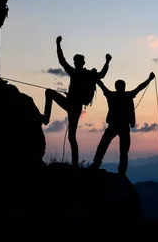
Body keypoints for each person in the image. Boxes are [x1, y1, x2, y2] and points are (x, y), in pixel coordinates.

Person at [41, 35, 112, 167]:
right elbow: (102, 74)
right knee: (72, 136)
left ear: (78, 63)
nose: (74, 63)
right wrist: (107, 62)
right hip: (75, 106)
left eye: (75, 61)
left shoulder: (75, 72)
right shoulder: (89, 75)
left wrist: (58, 45)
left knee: (49, 92)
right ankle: (74, 165)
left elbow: (61, 60)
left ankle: (46, 118)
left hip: (71, 104)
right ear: (83, 63)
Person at [90, 72, 156, 175]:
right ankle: (121, 171)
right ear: (124, 87)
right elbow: (139, 87)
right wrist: (149, 79)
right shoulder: (128, 95)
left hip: (113, 125)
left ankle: (96, 164)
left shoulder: (111, 95)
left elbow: (102, 85)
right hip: (124, 126)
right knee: (123, 150)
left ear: (116, 87)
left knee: (103, 145)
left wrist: (96, 78)